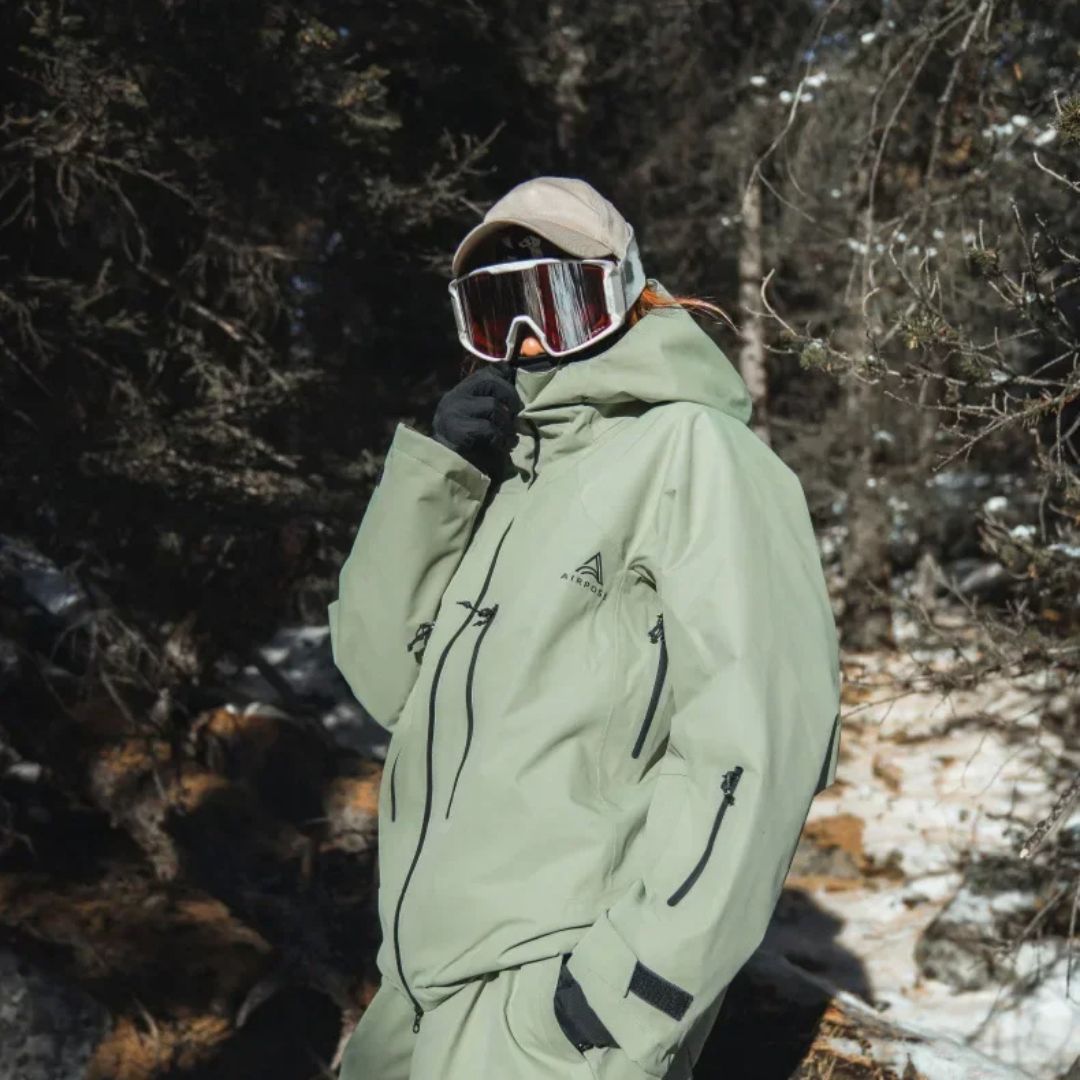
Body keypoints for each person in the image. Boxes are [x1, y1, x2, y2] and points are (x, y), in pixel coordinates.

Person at [327, 176, 842, 1080]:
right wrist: (438, 479)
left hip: (547, 1012)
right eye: (497, 314)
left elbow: (756, 747)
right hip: (416, 999)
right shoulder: (508, 480)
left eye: (556, 303)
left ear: (624, 294)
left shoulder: (694, 455)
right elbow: (383, 679)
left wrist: (623, 996)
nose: (527, 343)